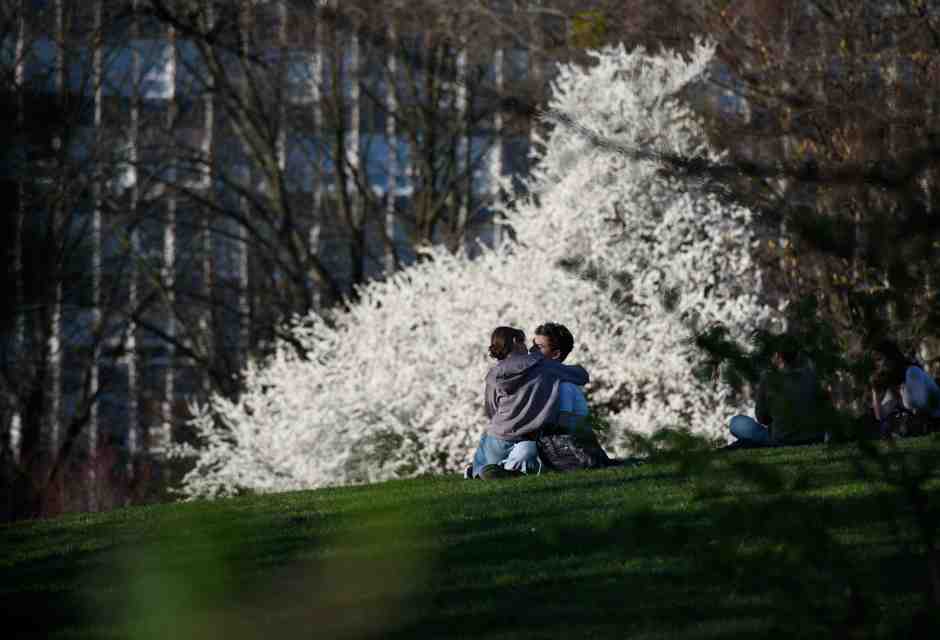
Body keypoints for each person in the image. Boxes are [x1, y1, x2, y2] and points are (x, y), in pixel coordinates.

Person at [467, 326, 590, 479]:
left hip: (496, 435)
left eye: (537, 346)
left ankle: (478, 471)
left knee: (481, 468)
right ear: (515, 341)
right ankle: (504, 469)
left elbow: (491, 408)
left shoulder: (493, 374)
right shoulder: (543, 366)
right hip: (526, 436)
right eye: (528, 343)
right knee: (526, 460)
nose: (531, 349)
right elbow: (581, 375)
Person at [531, 322, 615, 470]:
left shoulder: (564, 386)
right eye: (533, 344)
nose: (532, 350)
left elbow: (562, 424)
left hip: (574, 445)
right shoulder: (552, 380)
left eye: (540, 347)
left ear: (555, 354)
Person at [728, 342, 828, 446]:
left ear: (777, 356)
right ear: (798, 355)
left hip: (782, 440)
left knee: (737, 423)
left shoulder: (769, 379)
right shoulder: (812, 376)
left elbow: (762, 418)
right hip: (814, 437)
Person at [869, 340, 940, 437]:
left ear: (890, 358)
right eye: (875, 361)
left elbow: (922, 406)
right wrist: (875, 390)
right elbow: (881, 415)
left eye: (879, 359)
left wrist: (903, 413)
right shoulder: (895, 382)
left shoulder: (912, 372)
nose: (878, 365)